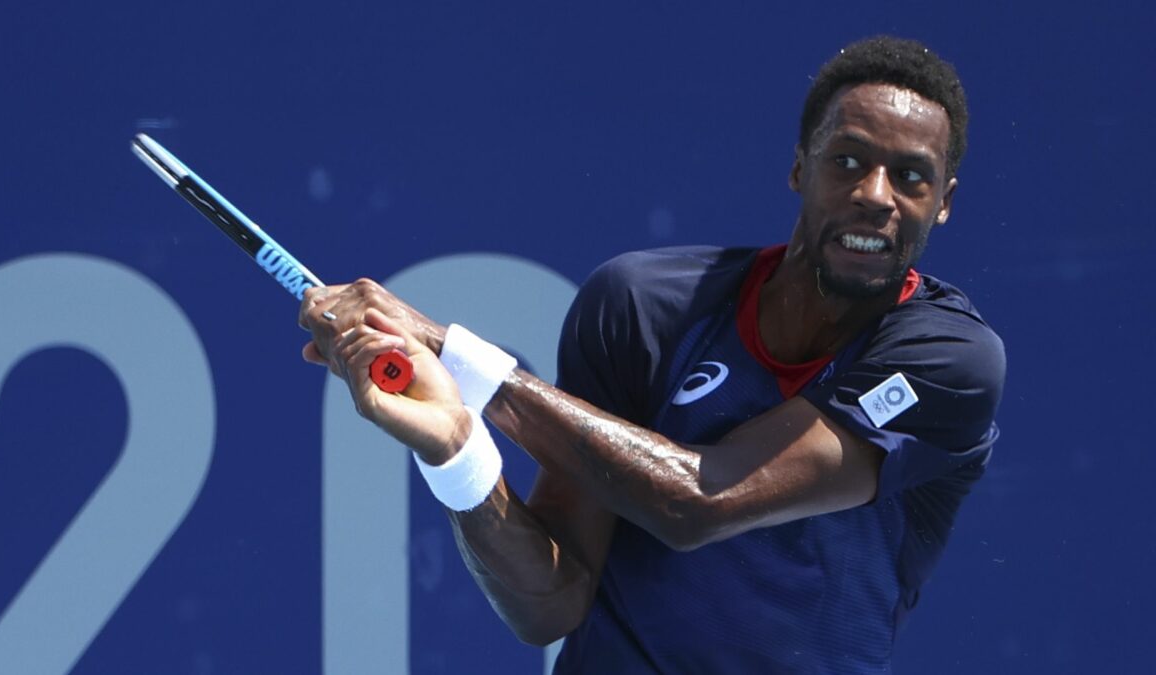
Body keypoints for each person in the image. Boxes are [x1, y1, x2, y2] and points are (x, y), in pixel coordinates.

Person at [300, 35, 1005, 674]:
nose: (874, 195)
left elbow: (700, 500)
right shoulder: (641, 307)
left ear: (944, 201)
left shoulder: (949, 359)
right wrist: (457, 451)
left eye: (911, 177)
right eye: (847, 161)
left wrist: (453, 354)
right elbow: (551, 605)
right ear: (799, 167)